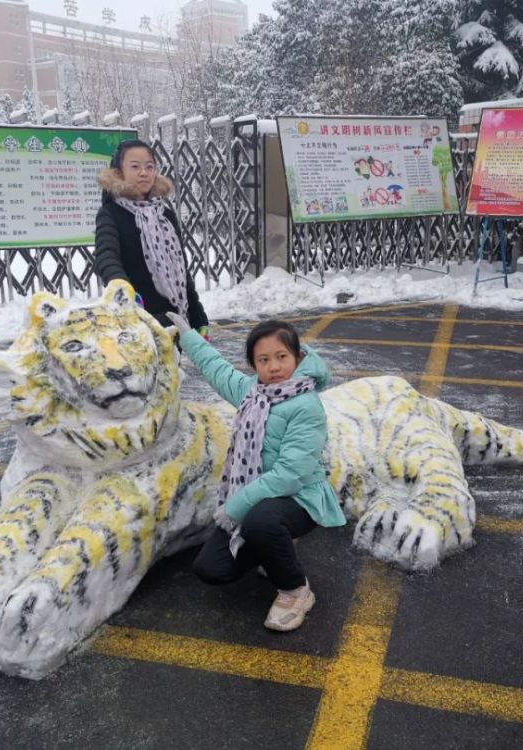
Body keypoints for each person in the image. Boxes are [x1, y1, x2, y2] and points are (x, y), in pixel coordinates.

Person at [166, 316, 345, 631]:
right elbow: (218, 371)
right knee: (212, 568)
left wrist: (236, 507)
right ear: (254, 364)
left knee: (262, 521)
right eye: (264, 360)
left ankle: (295, 591)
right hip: (260, 500)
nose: (274, 367)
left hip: (299, 497)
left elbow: (290, 474)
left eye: (281, 357)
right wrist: (189, 337)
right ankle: (271, 546)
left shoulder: (306, 406)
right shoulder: (253, 392)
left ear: (297, 357)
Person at [95, 139, 209, 336]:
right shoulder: (111, 213)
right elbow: (106, 256)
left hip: (174, 319)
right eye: (135, 166)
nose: (143, 173)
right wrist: (123, 291)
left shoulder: (165, 214)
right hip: (136, 320)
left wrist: (198, 315)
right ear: (119, 172)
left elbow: (180, 268)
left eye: (150, 166)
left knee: (173, 367)